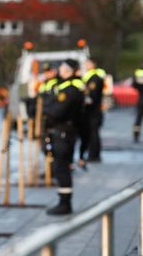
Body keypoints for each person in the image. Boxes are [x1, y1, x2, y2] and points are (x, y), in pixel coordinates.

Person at [44, 59, 84, 215]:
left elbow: (57, 111)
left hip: (64, 132)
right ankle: (63, 201)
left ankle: (65, 203)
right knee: (60, 166)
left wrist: (47, 107)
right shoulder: (65, 87)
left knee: (61, 167)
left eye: (62, 67)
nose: (60, 70)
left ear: (69, 70)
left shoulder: (70, 90)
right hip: (63, 131)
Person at [81, 59, 106, 162]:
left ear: (93, 64)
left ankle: (94, 155)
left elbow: (92, 95)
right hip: (92, 111)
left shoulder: (94, 78)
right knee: (92, 133)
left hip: (93, 111)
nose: (86, 65)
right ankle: (93, 154)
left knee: (93, 134)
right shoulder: (88, 77)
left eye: (88, 63)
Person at [133, 64, 143, 143]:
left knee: (138, 118)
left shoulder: (138, 72)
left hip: (141, 98)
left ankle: (136, 135)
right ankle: (136, 134)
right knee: (138, 118)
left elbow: (134, 84)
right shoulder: (139, 72)